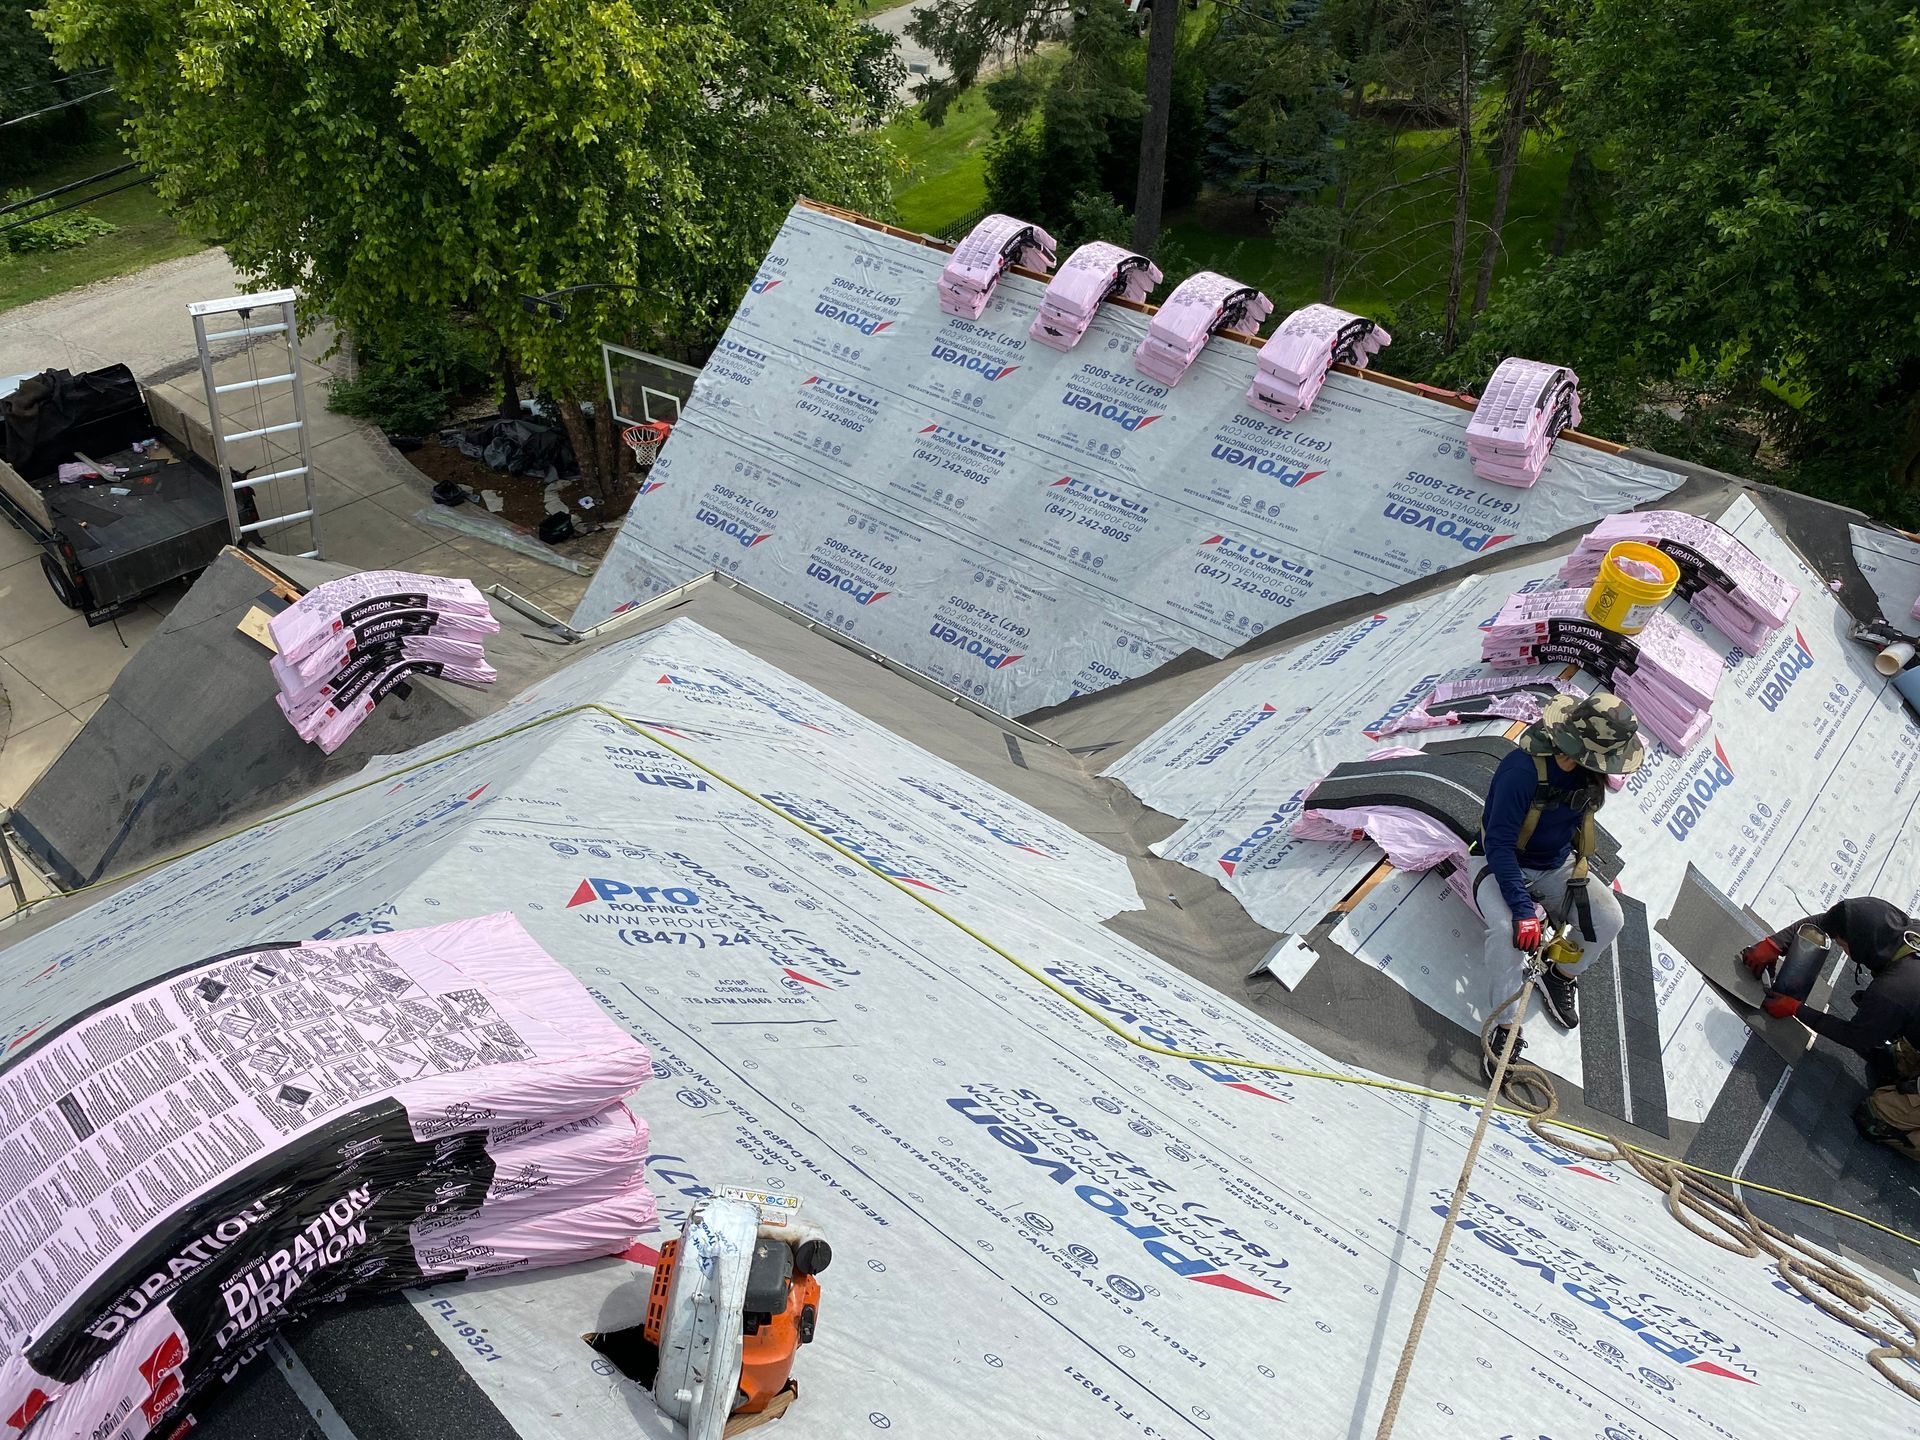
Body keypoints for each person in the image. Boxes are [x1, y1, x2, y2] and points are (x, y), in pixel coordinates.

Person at [1473, 692, 1646, 1084]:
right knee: (1507, 933)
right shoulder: (1521, 771)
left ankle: (1559, 976)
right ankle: (1504, 1027)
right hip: (1495, 862)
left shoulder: (1587, 776)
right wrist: (1522, 910)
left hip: (1554, 865)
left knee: (1609, 919)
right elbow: (1498, 845)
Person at [1740, 899, 1920, 1156]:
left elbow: (1856, 1037)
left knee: (1874, 1117)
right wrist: (1775, 944)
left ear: (1861, 941)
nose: (1841, 949)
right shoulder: (1907, 932)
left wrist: (1796, 1009)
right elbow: (1826, 922)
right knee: (1890, 1062)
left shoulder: (1893, 991)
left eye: (1842, 945)